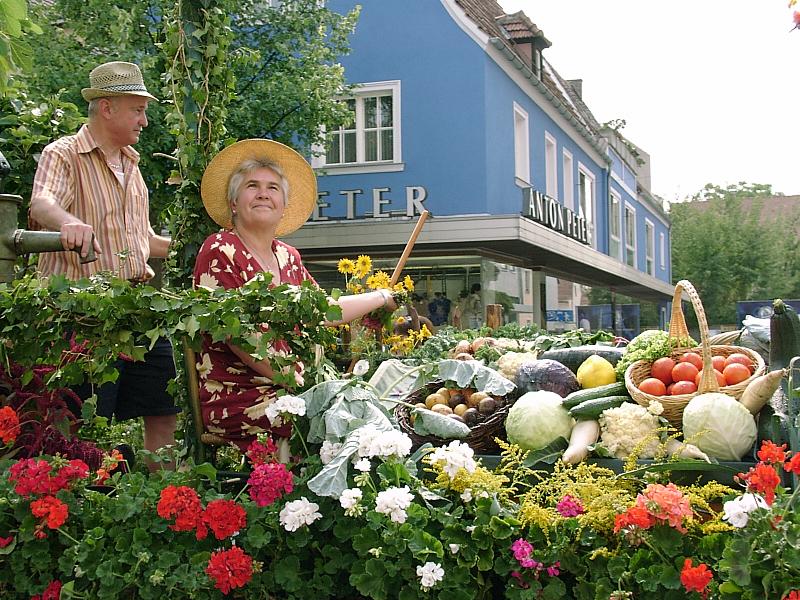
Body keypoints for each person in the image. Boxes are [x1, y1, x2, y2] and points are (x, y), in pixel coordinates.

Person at [193, 139, 399, 450]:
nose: (264, 193)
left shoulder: (288, 256)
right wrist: (307, 387)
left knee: (362, 413)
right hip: (239, 395)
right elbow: (240, 337)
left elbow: (324, 311)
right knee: (336, 419)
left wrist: (380, 297)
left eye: (273, 187)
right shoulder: (220, 249)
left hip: (291, 390)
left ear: (283, 206)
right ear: (234, 203)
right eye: (252, 185)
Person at [28, 61, 177, 465]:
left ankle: (161, 497)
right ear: (107, 108)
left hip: (138, 307)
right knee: (82, 420)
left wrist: (192, 246)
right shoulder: (63, 153)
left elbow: (144, 241)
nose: (145, 121)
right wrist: (69, 222)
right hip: (84, 313)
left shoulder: (133, 164)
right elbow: (42, 202)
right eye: (138, 110)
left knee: (164, 407)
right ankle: (79, 502)